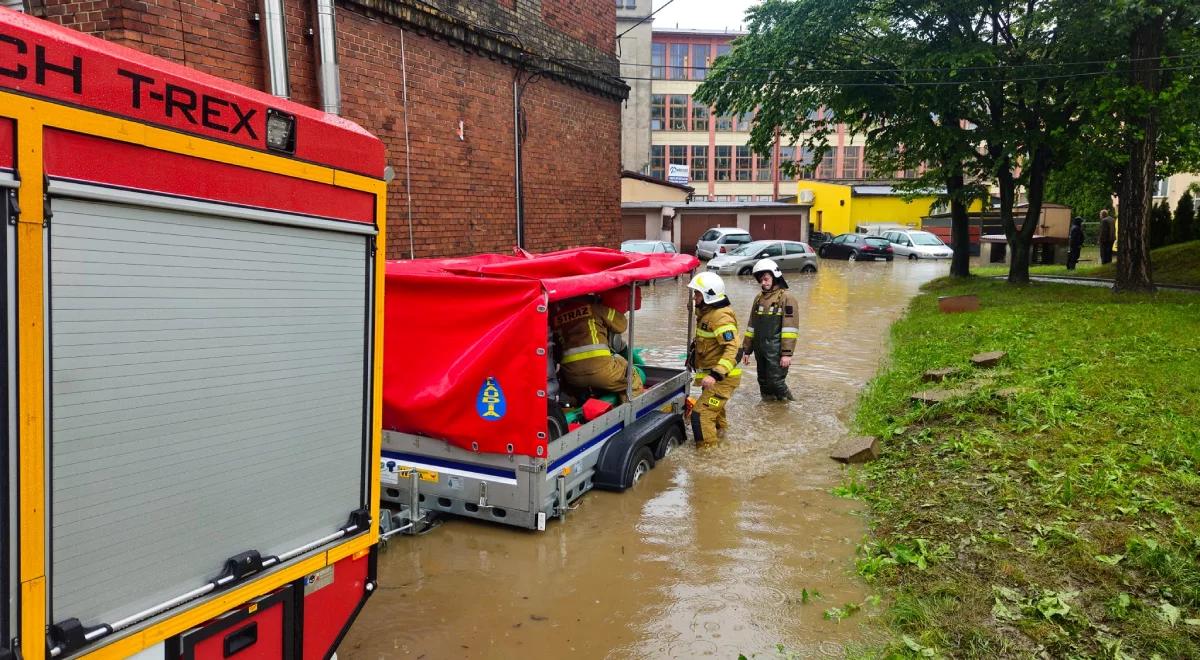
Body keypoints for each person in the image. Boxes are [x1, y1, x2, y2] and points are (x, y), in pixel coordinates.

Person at [686, 272, 741, 447]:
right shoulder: (708, 312)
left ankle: (707, 455)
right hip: (714, 379)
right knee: (715, 411)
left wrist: (716, 375)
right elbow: (702, 317)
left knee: (701, 414)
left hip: (722, 379)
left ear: (708, 296)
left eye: (697, 294)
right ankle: (722, 440)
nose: (695, 297)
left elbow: (733, 347)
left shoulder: (720, 317)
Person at [551, 295, 642, 400]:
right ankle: (630, 412)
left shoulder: (556, 318)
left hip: (571, 377)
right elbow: (622, 325)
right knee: (633, 379)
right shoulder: (595, 308)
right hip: (602, 371)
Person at [741, 259, 799, 401]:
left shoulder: (786, 298)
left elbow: (790, 328)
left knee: (776, 382)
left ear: (775, 277)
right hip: (760, 350)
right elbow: (751, 326)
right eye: (761, 280)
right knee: (763, 382)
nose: (763, 283)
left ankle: (791, 406)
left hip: (776, 351)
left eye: (766, 279)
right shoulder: (758, 298)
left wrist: (786, 354)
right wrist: (747, 351)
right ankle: (769, 411)